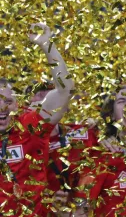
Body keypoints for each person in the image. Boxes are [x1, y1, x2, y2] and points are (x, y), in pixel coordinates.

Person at [0, 23, 74, 215]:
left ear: (18, 104)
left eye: (7, 101)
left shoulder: (29, 125)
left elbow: (64, 91)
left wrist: (47, 45)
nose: (2, 107)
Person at [75, 85, 126, 216]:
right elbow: (83, 206)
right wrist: (94, 129)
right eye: (121, 101)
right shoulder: (102, 154)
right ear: (112, 115)